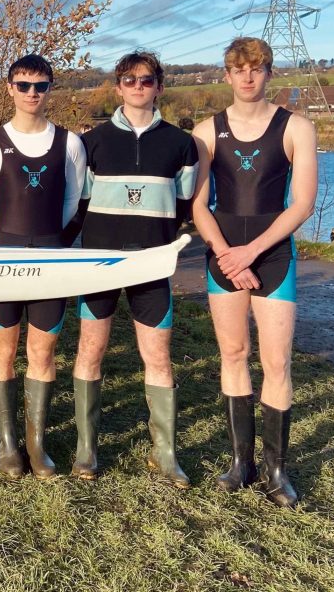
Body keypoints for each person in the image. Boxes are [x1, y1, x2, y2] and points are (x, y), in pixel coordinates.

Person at [191, 37, 317, 508]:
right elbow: (198, 205)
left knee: (277, 361)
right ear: (227, 75)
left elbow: (302, 204)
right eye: (239, 69)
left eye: (257, 68)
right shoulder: (206, 131)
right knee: (233, 353)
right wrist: (227, 253)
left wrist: (251, 252)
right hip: (223, 254)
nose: (247, 77)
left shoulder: (296, 127)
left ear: (269, 73)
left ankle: (276, 471)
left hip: (272, 254)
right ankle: (240, 463)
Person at [72, 50, 198, 487]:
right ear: (118, 86)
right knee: (90, 351)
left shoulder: (181, 144)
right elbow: (79, 204)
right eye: (129, 80)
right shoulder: (92, 142)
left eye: (146, 80)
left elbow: (184, 206)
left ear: (159, 86)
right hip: (100, 263)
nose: (138, 86)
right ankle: (86, 449)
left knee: (158, 356)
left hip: (152, 264)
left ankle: (165, 453)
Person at [0, 54, 86, 478]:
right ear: (10, 88)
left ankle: (36, 445)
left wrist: (49, 243)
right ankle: (7, 444)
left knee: (42, 351)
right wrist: (5, 243)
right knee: (2, 350)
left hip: (51, 258)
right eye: (23, 85)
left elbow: (73, 200)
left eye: (40, 86)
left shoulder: (70, 144)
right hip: (4, 258)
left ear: (49, 89)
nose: (32, 93)